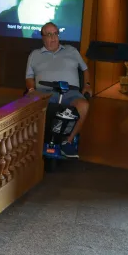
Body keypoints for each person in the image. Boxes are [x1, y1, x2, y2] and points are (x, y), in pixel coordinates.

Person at [24, 22, 90, 158]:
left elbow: (85, 69)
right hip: (45, 92)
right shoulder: (35, 55)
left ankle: (68, 141)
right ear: (43, 38)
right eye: (49, 34)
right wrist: (31, 90)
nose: (53, 37)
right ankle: (36, 141)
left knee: (83, 106)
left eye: (55, 33)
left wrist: (87, 85)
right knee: (31, 105)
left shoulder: (71, 50)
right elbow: (29, 77)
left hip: (70, 92)